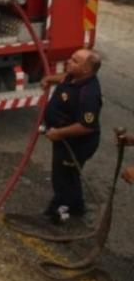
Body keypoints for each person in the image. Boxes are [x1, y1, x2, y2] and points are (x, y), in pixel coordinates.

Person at [40, 48, 103, 224]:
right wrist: (49, 79)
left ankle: (60, 214)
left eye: (75, 61)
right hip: (64, 140)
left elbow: (86, 126)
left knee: (63, 179)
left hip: (77, 144)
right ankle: (77, 207)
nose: (69, 61)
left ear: (86, 70)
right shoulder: (75, 77)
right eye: (71, 58)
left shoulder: (89, 94)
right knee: (69, 175)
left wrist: (58, 133)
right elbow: (65, 79)